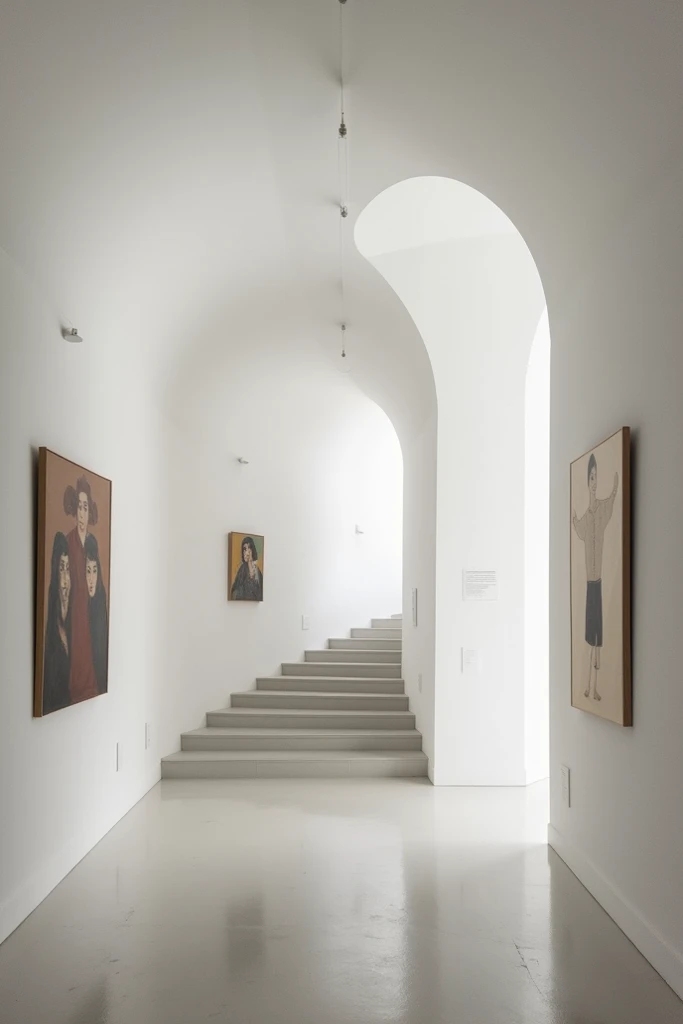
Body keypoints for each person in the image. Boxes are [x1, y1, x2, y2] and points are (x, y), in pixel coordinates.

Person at [572, 453, 618, 702]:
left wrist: (614, 491)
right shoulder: (588, 518)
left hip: (598, 583)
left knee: (597, 638)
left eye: (596, 477)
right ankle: (590, 687)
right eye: (591, 477)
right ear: (586, 480)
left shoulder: (600, 511)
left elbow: (611, 504)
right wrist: (573, 518)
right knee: (592, 637)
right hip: (591, 586)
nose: (594, 481)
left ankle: (593, 686)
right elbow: (577, 528)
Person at [64, 476, 99, 703]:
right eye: (79, 506)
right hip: (75, 609)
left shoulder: (92, 542)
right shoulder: (68, 541)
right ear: (75, 510)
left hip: (90, 610)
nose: (82, 512)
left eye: (86, 507)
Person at [43, 532, 72, 714]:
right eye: (61, 568)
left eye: (68, 568)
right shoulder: (51, 633)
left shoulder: (75, 626)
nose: (65, 582)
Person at [85, 533, 109, 695]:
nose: (91, 578)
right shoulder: (79, 606)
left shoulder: (100, 601)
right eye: (88, 571)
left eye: (94, 571)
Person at [231, 536, 263, 601]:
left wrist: (250, 564)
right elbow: (234, 591)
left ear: (253, 550)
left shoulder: (257, 571)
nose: (247, 553)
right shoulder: (242, 569)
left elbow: (259, 593)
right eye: (245, 549)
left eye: (249, 549)